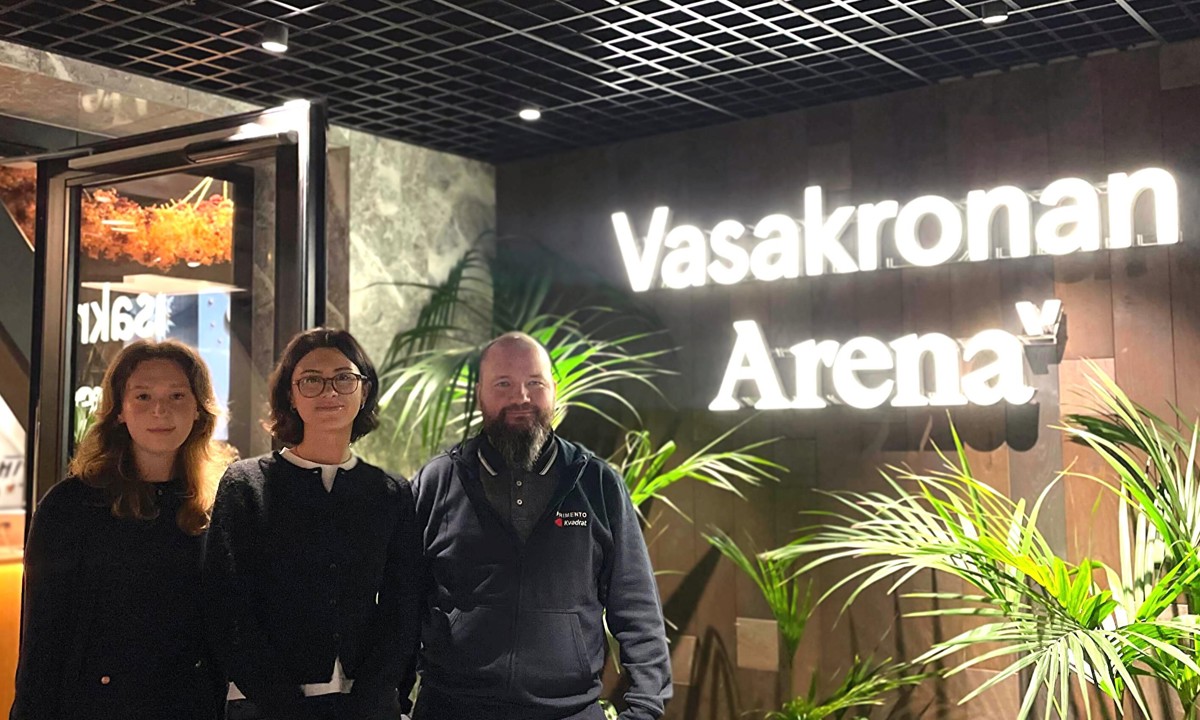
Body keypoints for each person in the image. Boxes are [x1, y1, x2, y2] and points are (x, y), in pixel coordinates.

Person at [409, 332, 672, 720]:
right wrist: (392, 702)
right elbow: (402, 606)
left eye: (535, 383)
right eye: (503, 384)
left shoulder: (597, 484)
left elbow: (637, 609)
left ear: (554, 391)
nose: (521, 397)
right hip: (451, 707)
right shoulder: (437, 482)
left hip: (570, 710)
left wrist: (644, 708)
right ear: (479, 394)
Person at [204, 327, 420, 720]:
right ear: (290, 394)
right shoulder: (245, 485)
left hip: (365, 706)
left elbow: (402, 608)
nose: (329, 392)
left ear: (364, 391)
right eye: (311, 380)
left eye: (344, 378)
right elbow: (227, 607)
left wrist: (374, 699)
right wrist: (282, 704)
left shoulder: (389, 492)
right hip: (265, 706)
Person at [11, 340, 228, 720]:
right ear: (119, 411)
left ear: (199, 409)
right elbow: (42, 643)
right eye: (143, 396)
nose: (160, 410)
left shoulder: (219, 504)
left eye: (177, 395)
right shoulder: (69, 506)